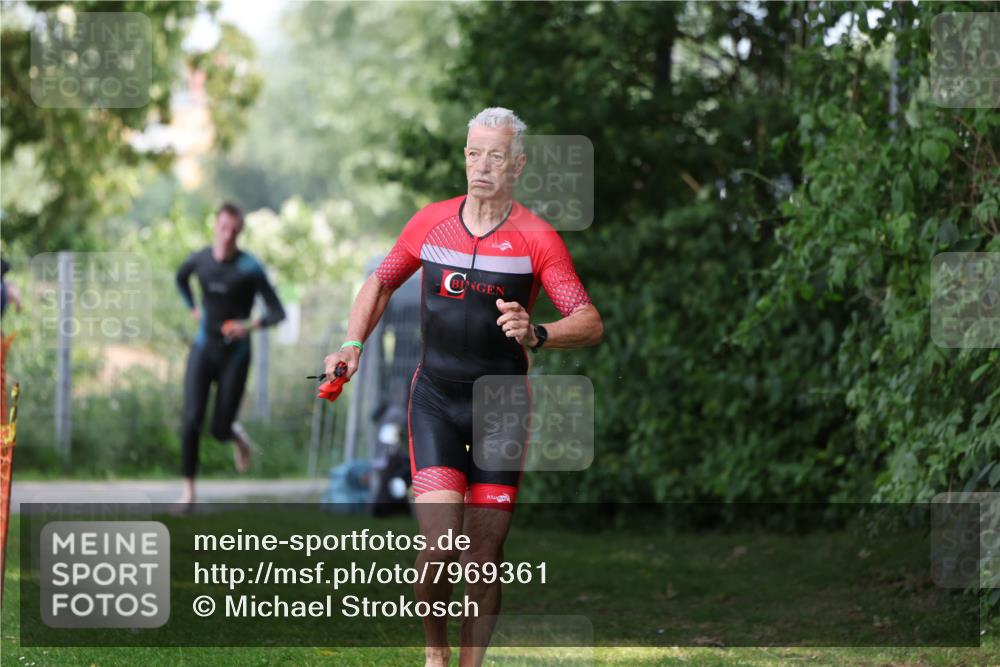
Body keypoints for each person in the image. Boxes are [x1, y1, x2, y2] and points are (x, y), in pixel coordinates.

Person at [324, 107, 603, 667]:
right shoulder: (431, 224)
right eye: (474, 153)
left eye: (495, 156)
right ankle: (436, 651)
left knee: (484, 554)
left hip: (502, 408)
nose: (481, 166)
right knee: (437, 551)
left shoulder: (537, 238)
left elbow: (590, 321)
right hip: (435, 401)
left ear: (517, 165)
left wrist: (540, 331)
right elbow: (379, 285)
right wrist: (351, 346)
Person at [175, 202, 286, 507]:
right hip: (203, 348)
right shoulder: (200, 260)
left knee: (219, 429)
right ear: (216, 225)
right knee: (191, 420)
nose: (227, 235)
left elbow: (278, 312)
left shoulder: (249, 268)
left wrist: (248, 325)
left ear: (240, 232)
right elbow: (180, 279)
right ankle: (188, 493)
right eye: (223, 228)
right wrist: (193, 308)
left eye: (234, 231)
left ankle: (236, 435)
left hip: (235, 355)